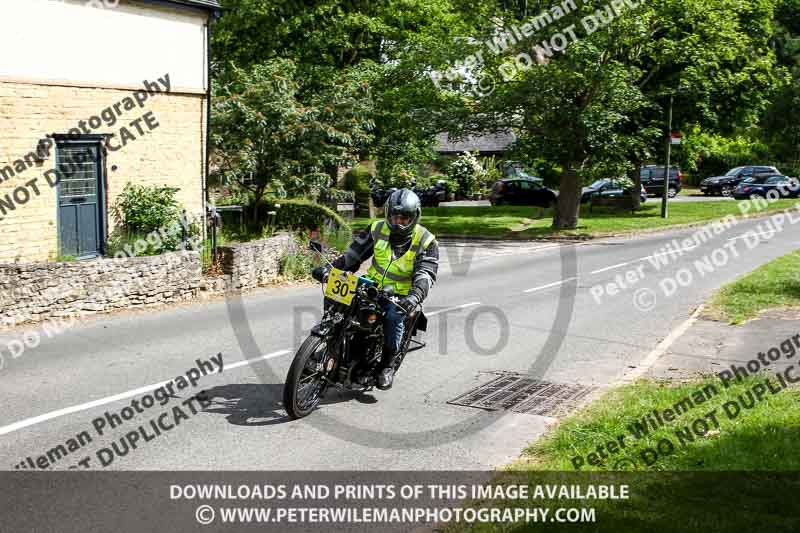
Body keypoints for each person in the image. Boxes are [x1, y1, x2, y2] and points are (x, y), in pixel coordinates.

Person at [313, 188, 439, 390]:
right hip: (371, 285)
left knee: (393, 317)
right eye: (395, 217)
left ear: (415, 217)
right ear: (388, 214)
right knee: (337, 296)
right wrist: (331, 269)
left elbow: (426, 273)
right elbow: (353, 256)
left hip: (401, 294)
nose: (398, 222)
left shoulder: (426, 241)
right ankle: (331, 342)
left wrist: (415, 296)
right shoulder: (376, 229)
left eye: (405, 218)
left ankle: (386, 366)